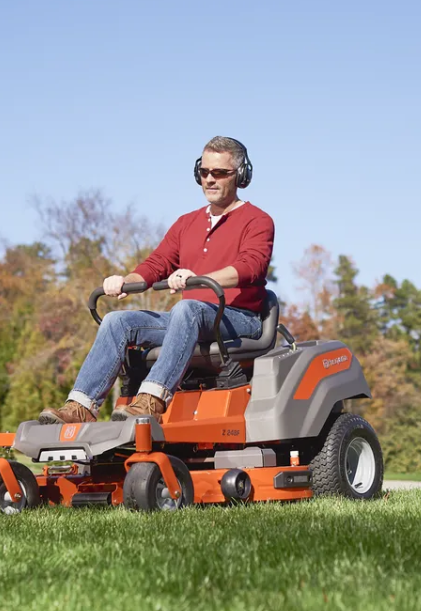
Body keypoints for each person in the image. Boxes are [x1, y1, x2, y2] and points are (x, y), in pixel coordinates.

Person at [38, 137, 274, 424]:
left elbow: (252, 266)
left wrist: (198, 279)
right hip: (188, 320)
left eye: (220, 173)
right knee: (117, 321)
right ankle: (80, 407)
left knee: (187, 309)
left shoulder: (257, 220)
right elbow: (158, 263)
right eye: (204, 172)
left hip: (238, 319)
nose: (210, 179)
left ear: (241, 175)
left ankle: (151, 400)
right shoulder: (186, 222)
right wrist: (125, 281)